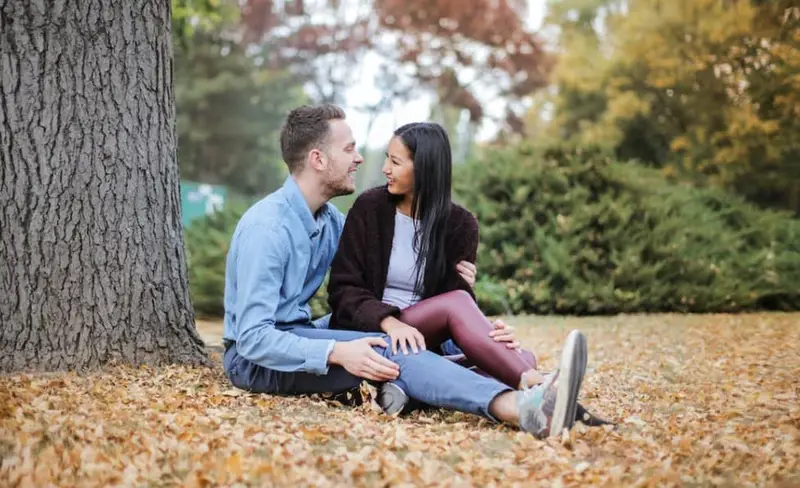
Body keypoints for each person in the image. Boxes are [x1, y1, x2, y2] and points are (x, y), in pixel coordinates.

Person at [222, 104, 589, 439]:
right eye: (349, 149)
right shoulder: (267, 229)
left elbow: (375, 273)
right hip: (255, 361)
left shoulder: (329, 221)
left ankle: (515, 379)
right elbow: (254, 338)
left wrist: (476, 319)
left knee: (393, 347)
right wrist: (336, 352)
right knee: (388, 347)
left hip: (302, 332)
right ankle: (521, 406)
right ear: (317, 159)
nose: (361, 158)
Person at [327, 122, 604, 423]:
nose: (384, 169)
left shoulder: (460, 225)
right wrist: (390, 322)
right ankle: (540, 385)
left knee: (519, 356)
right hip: (371, 330)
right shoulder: (370, 208)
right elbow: (344, 289)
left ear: (425, 168)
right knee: (502, 349)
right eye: (387, 158)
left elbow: (455, 305)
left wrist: (490, 335)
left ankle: (403, 392)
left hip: (423, 342)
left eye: (395, 161)